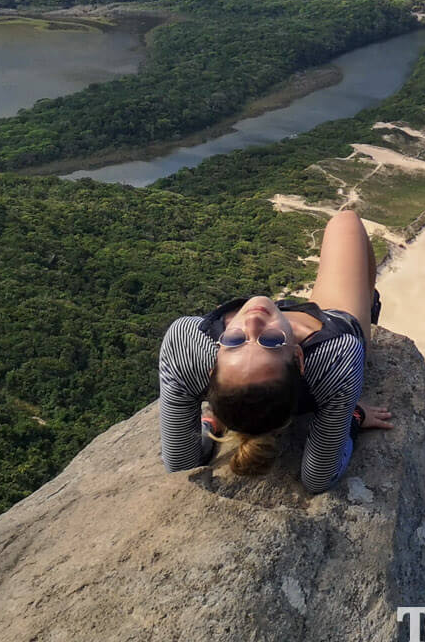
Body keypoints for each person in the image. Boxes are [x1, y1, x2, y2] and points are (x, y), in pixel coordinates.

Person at [157, 207, 394, 486]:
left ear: (212, 368)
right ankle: (370, 304)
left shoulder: (188, 343)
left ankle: (231, 413)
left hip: (250, 392)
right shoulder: (336, 356)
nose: (253, 323)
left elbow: (179, 464)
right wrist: (352, 416)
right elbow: (318, 478)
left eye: (234, 341)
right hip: (329, 318)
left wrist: (210, 427)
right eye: (270, 342)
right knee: (346, 221)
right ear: (298, 356)